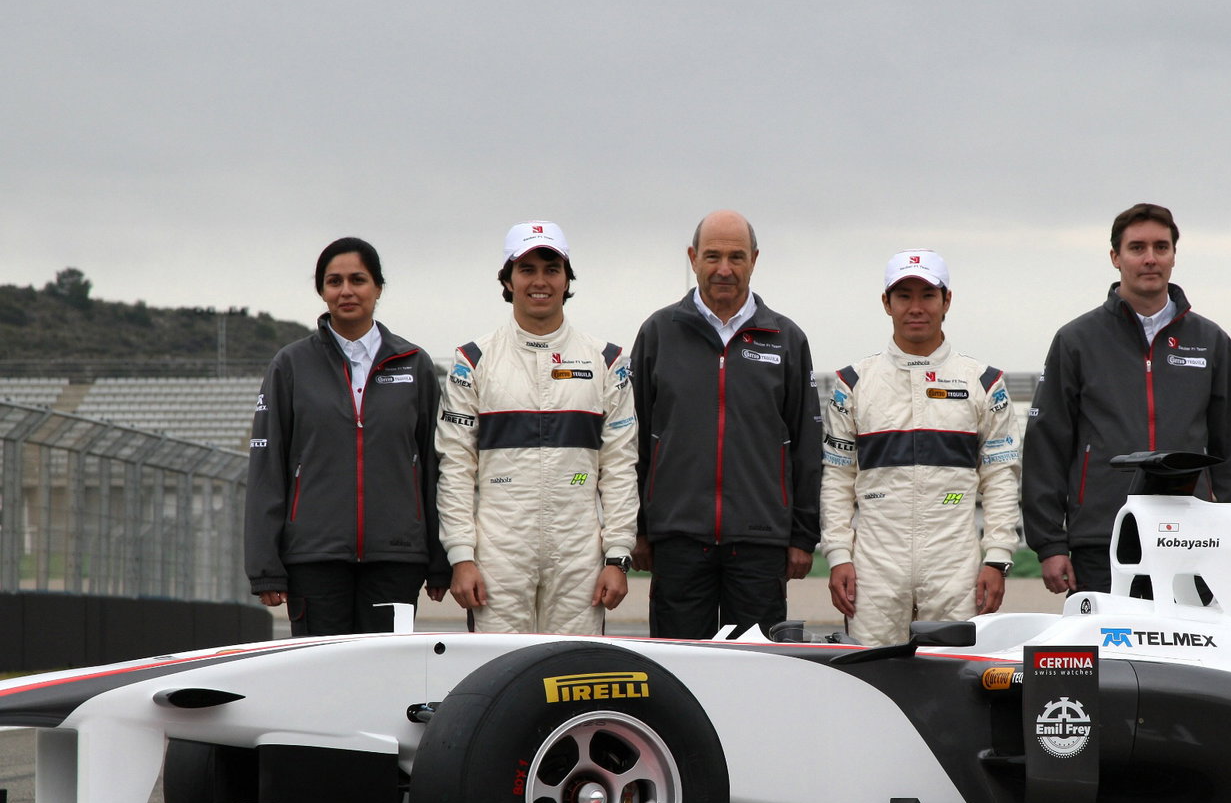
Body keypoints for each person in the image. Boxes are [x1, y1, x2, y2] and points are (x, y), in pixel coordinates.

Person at [1022, 203, 1231, 595]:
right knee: (1106, 655)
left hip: (1192, 540)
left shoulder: (1210, 341)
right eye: (1137, 248)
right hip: (1102, 540)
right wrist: (1050, 543)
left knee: (1190, 653)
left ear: (1173, 256)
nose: (1150, 258)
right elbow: (1047, 444)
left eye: (1161, 247)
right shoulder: (1076, 341)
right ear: (1115, 257)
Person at [435, 222, 638, 634]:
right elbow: (455, 467)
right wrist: (461, 556)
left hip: (579, 555)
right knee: (498, 679)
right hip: (498, 555)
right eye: (527, 269)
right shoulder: (472, 360)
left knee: (574, 677)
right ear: (508, 280)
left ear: (567, 279)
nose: (540, 281)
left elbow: (619, 466)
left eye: (551, 268)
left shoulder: (607, 360)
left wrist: (617, 557)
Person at [629, 209, 822, 638]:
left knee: (757, 672)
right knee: (680, 669)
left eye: (736, 257)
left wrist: (802, 535)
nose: (724, 269)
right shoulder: (658, 334)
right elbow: (633, 441)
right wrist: (638, 528)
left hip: (759, 543)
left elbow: (807, 444)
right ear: (692, 257)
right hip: (677, 539)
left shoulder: (787, 339)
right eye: (712, 256)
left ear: (754, 259)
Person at [245, 237, 449, 635]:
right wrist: (265, 567)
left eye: (358, 279)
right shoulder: (290, 365)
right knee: (322, 678)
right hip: (314, 559)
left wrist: (440, 559)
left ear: (378, 288)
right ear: (322, 291)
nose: (346, 290)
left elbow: (434, 466)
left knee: (391, 677)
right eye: (334, 281)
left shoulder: (415, 364)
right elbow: (267, 467)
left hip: (397, 558)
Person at [821, 250, 1021, 647]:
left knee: (955, 683)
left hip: (955, 566)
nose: (916, 307)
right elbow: (837, 478)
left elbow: (1000, 479)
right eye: (904, 296)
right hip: (875, 569)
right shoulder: (853, 383)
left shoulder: (984, 382)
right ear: (886, 303)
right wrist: (839, 555)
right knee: (873, 682)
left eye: (927, 295)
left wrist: (997, 558)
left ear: (947, 301)